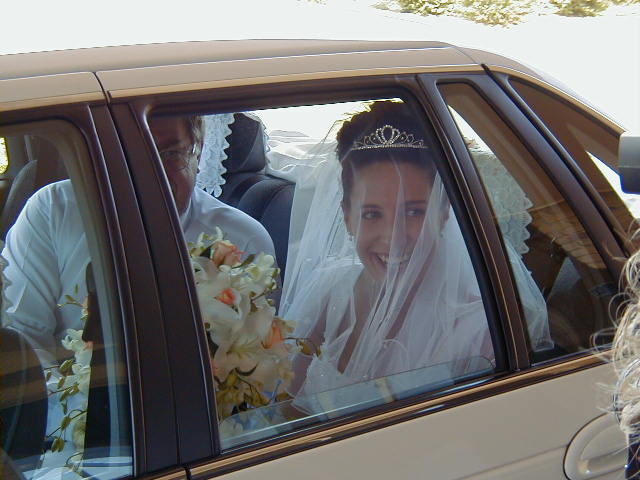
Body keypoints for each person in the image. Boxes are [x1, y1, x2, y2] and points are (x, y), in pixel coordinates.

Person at [0, 113, 275, 366]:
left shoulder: (244, 241)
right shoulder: (53, 211)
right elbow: (24, 336)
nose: (148, 172)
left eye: (170, 154)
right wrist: (73, 401)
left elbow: (253, 358)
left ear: (198, 151)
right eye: (126, 154)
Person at [280, 100, 495, 411]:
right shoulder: (329, 290)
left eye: (414, 212)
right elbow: (285, 407)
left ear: (444, 212)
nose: (394, 239)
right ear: (347, 217)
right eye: (371, 214)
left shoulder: (475, 331)